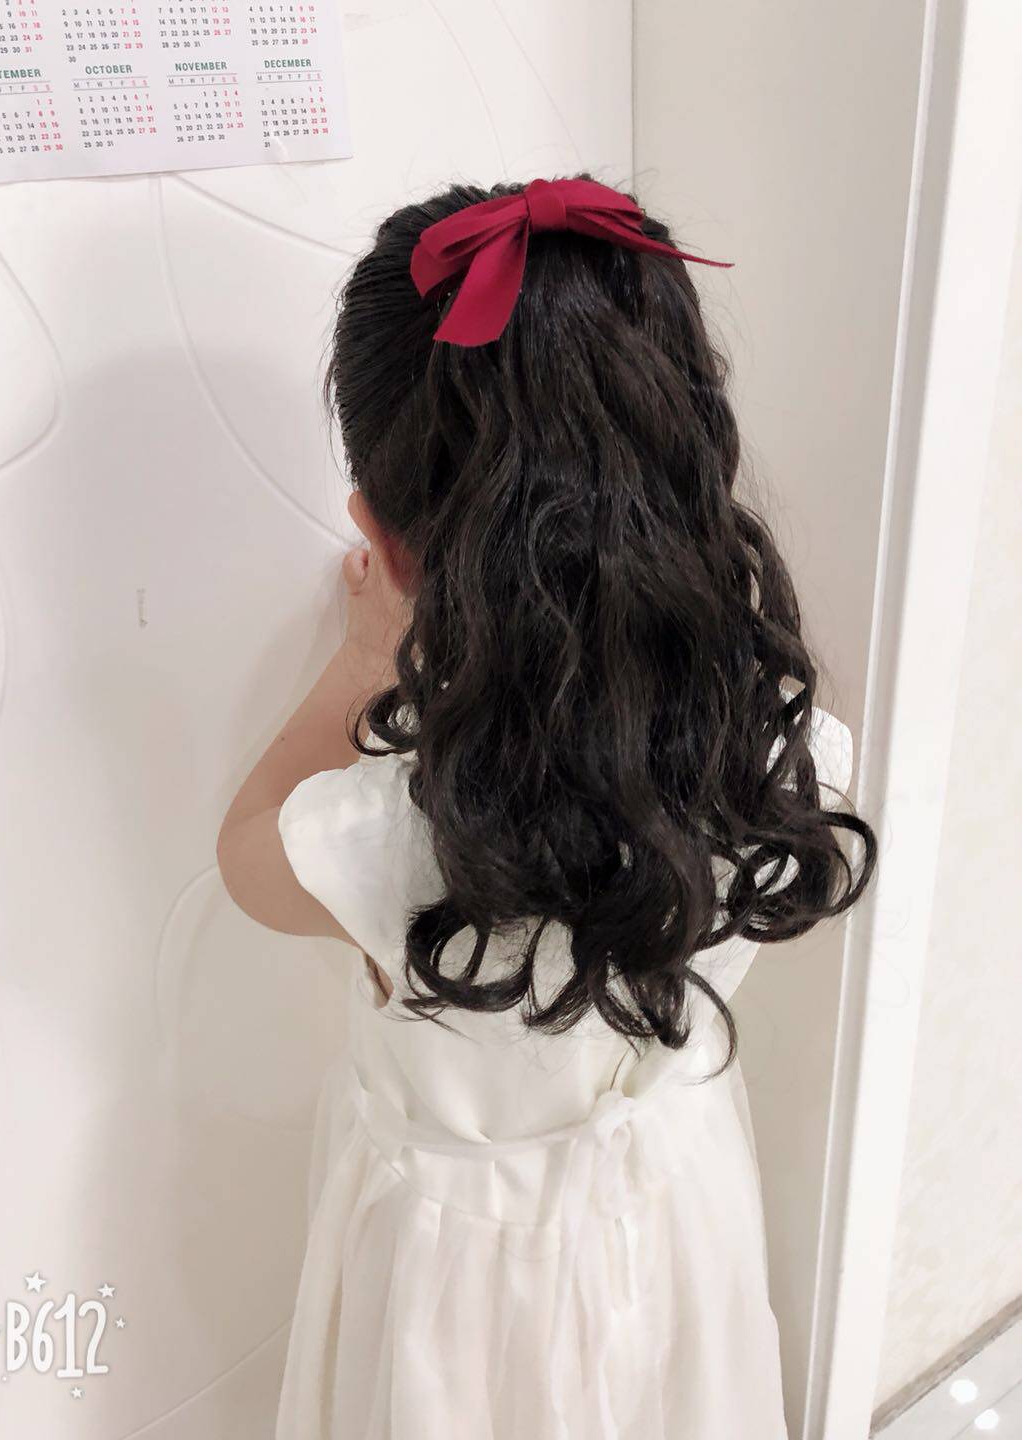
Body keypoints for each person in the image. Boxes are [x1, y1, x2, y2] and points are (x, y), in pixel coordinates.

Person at [216, 174, 878, 1440]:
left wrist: (362, 659)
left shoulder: (399, 837)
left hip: (459, 1306)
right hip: (680, 1225)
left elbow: (245, 855)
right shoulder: (788, 758)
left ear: (386, 544)